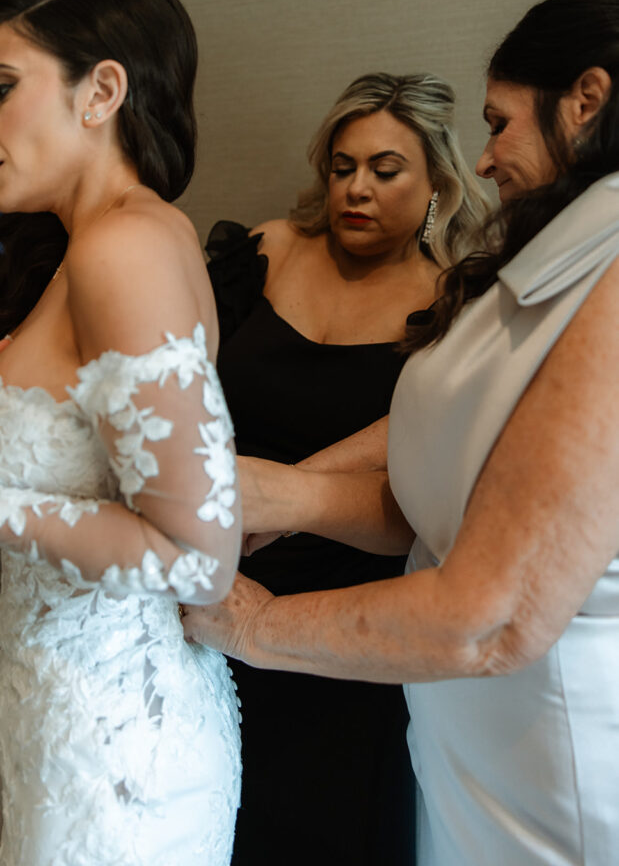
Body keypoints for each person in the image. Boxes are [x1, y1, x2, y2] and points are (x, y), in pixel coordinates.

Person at [183, 0, 619, 866]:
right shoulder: (556, 257)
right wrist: (286, 493)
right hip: (462, 745)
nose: (487, 155)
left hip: (552, 765)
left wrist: (255, 626)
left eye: (499, 122)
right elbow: (456, 434)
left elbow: (491, 618)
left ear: (586, 101)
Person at [0, 0, 242, 866]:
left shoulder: (127, 248)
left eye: (0, 88)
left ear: (101, 91)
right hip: (60, 721)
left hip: (114, 755)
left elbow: (195, 557)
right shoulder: (107, 244)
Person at [205, 72, 490, 865]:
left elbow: (422, 462)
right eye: (341, 166)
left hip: (347, 612)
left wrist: (282, 496)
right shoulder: (261, 252)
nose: (355, 188)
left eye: (384, 170)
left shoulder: (454, 304)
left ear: (436, 180)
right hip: (212, 571)